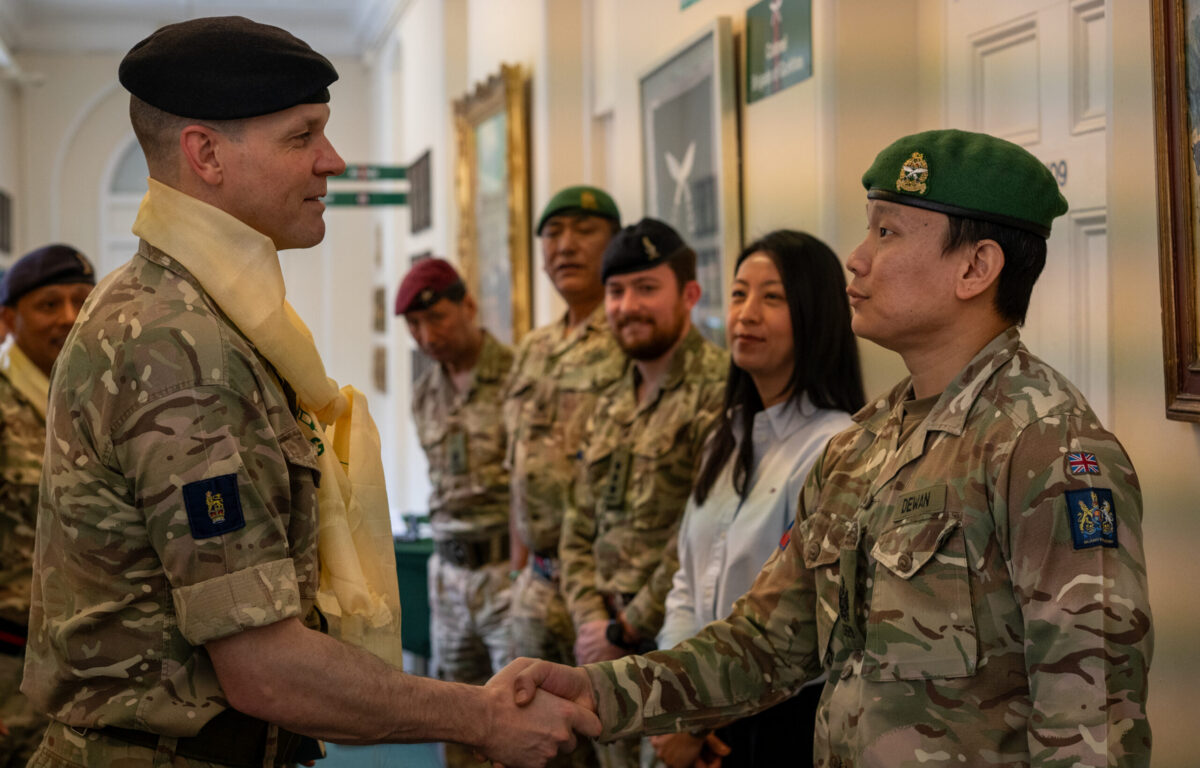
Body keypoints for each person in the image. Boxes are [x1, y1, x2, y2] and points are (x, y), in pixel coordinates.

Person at [20, 16, 597, 768]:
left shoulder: (200, 313)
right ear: (206, 155)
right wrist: (479, 716)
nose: (332, 161)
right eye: (302, 137)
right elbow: (263, 665)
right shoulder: (177, 341)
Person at [509, 129, 1153, 767]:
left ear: (975, 267)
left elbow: (1089, 719)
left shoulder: (1046, 448)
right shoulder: (859, 448)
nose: (857, 257)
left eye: (888, 233)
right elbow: (765, 646)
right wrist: (596, 692)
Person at [649, 230, 864, 768]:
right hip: (701, 701)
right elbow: (686, 579)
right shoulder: (729, 433)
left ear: (815, 314)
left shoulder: (835, 444)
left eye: (772, 297)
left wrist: (699, 718)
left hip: (781, 717)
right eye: (740, 293)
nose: (746, 313)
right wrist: (678, 695)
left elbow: (812, 625)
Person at [559, 218, 728, 768]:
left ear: (690, 294)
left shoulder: (722, 391)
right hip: (602, 653)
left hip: (672, 651)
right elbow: (576, 524)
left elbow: (704, 532)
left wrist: (625, 627)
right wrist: (590, 620)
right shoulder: (611, 396)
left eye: (646, 288)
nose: (627, 305)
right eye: (616, 291)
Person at [397, 257, 515, 768]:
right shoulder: (425, 395)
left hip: (507, 571)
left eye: (437, 319)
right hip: (449, 579)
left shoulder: (520, 378)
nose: (427, 337)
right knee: (456, 723)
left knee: (519, 715)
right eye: (415, 326)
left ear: (468, 305)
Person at [503, 186, 622, 669]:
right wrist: (517, 574)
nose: (565, 245)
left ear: (616, 243)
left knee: (609, 734)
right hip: (535, 585)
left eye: (584, 231)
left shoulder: (633, 341)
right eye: (553, 234)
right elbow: (519, 467)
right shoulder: (533, 348)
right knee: (530, 736)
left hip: (604, 595)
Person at [0, 245, 95, 768]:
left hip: (78, 678)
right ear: (9, 319)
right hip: (8, 676)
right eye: (49, 304)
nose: (69, 317)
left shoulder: (93, 404)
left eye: (82, 300)